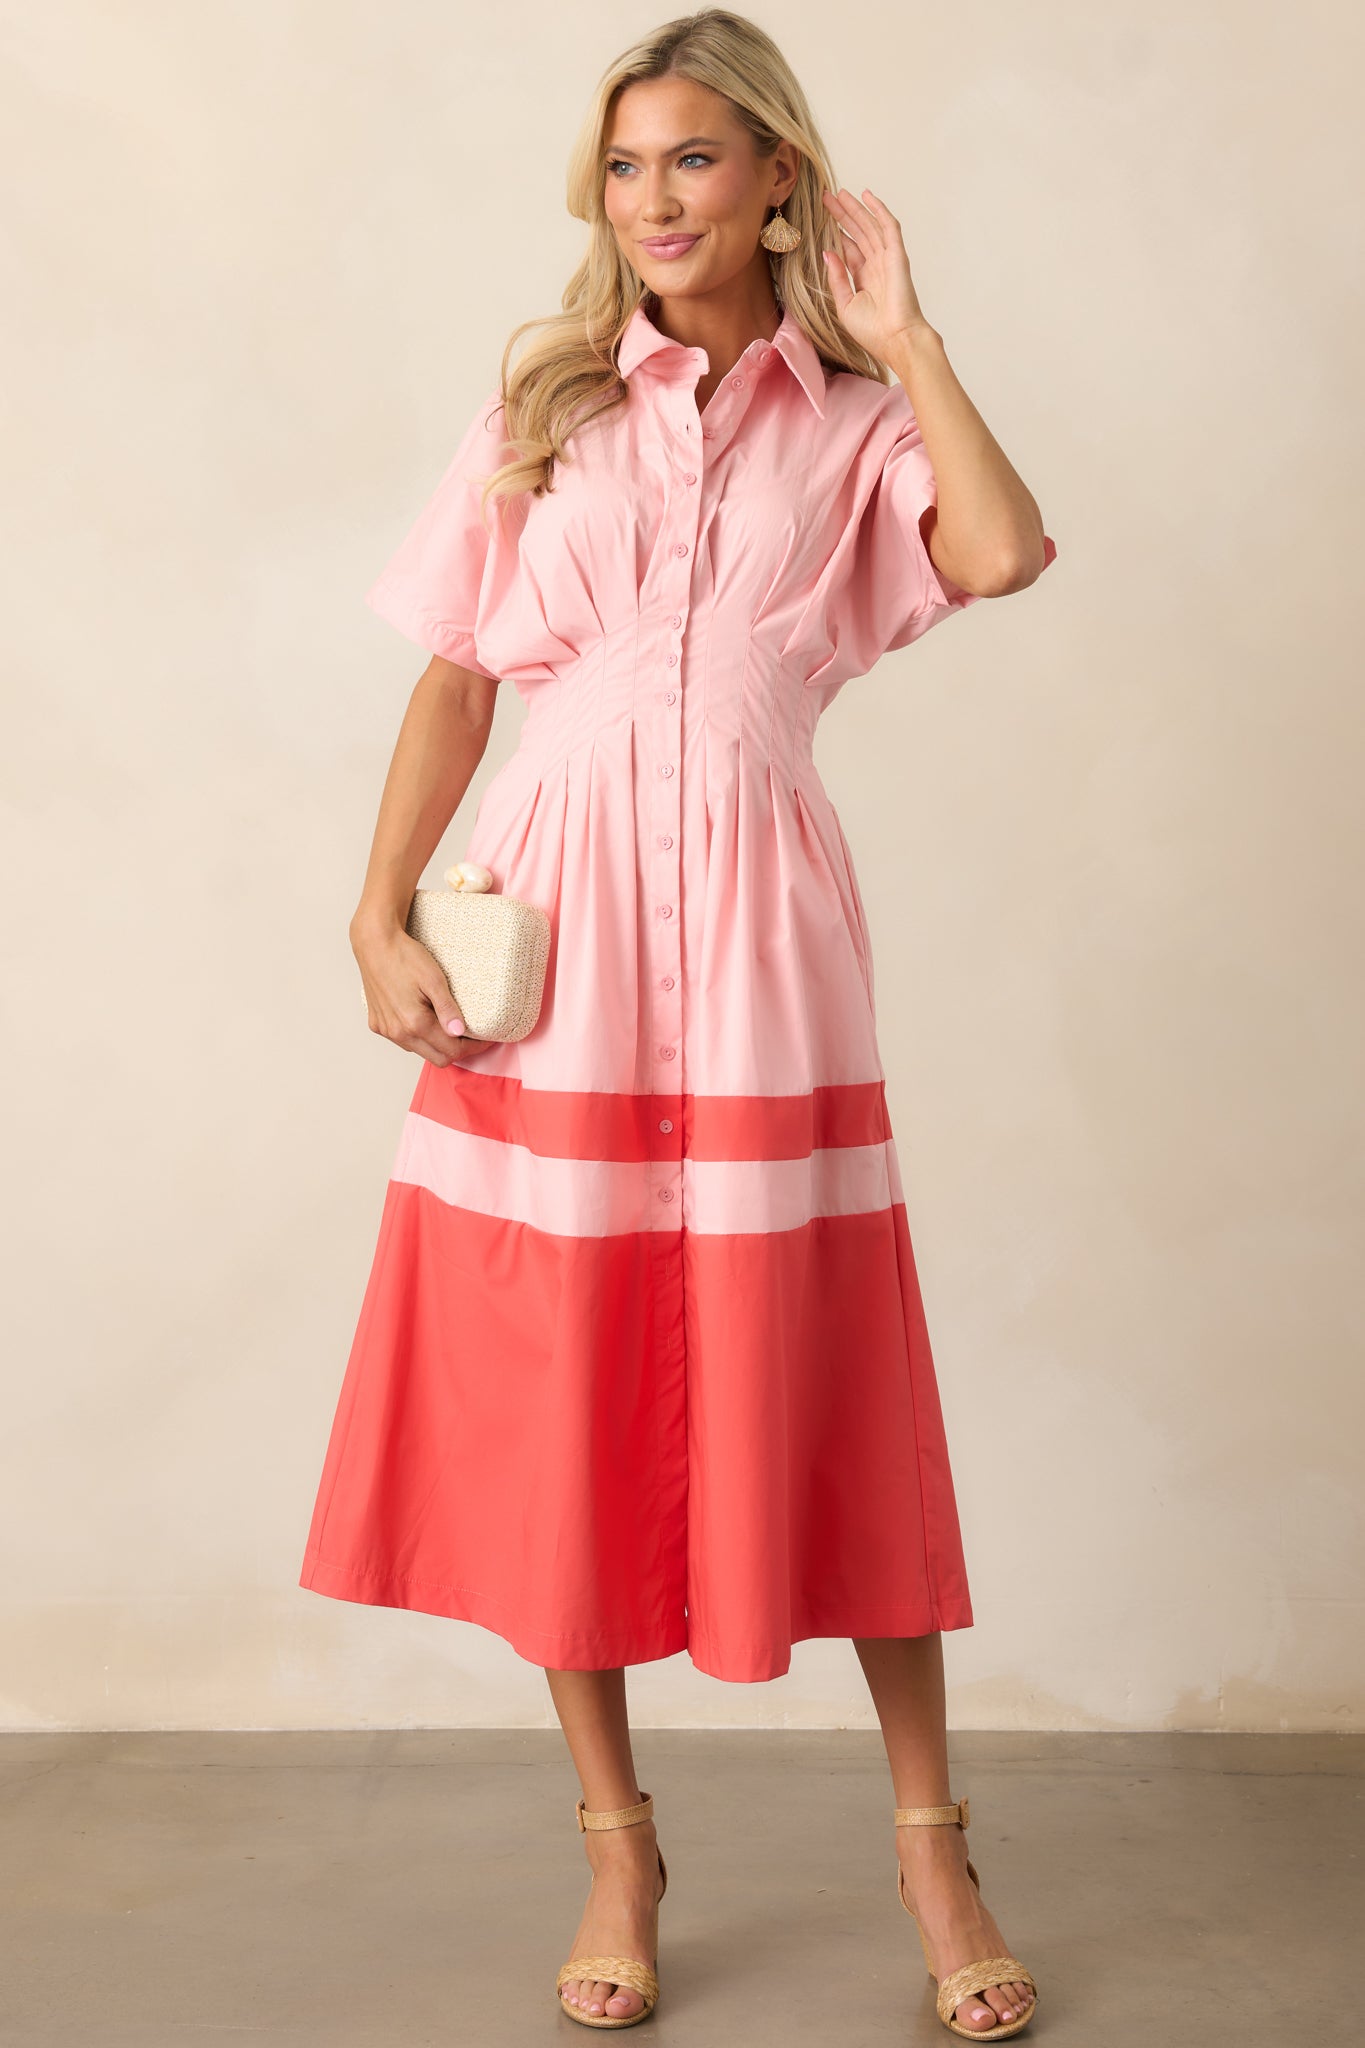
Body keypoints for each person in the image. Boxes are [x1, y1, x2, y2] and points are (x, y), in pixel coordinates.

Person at [299, 8, 1055, 2037]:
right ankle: (614, 1833)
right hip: (554, 930)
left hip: (757, 938)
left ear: (777, 179)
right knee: (568, 1370)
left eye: (695, 162)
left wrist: (907, 342)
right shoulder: (545, 400)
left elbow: (996, 551)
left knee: (814, 1359)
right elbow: (461, 675)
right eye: (626, 165)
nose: (652, 200)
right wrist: (375, 908)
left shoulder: (850, 421)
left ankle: (929, 1842)